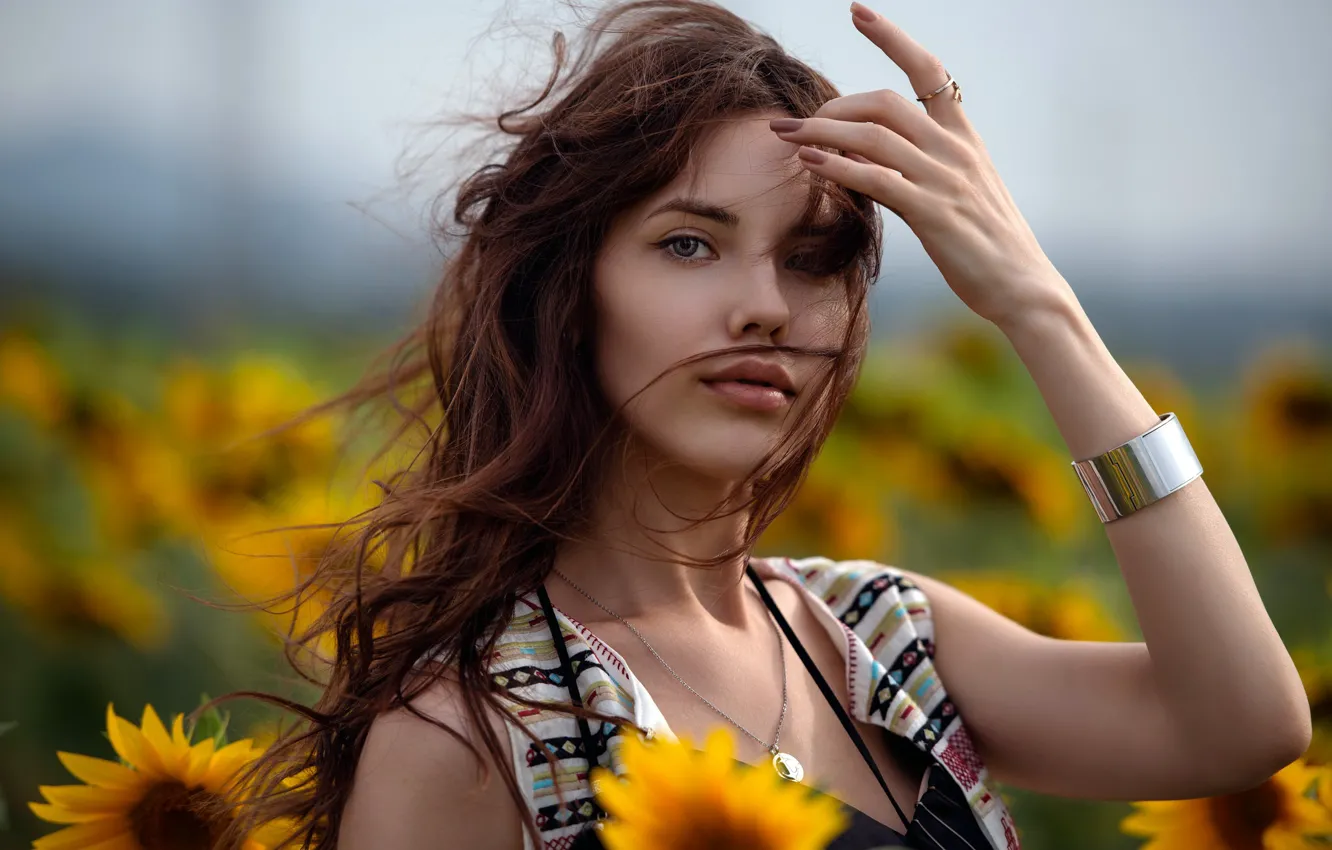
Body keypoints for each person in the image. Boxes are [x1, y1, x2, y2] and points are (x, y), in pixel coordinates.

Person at [211, 1, 1313, 848]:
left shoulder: (887, 641)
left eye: (813, 259)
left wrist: (1042, 307)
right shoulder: (473, 732)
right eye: (690, 243)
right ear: (567, 289)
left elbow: (1243, 722)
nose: (767, 307)